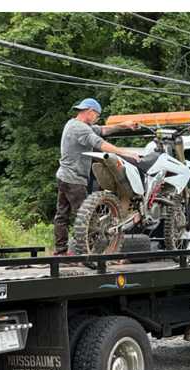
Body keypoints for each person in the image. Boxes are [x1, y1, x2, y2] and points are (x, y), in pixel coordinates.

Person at [54, 98, 141, 255]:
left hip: (63, 176)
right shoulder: (81, 129)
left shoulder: (73, 124)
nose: (96, 119)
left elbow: (102, 130)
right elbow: (101, 143)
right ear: (89, 112)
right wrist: (127, 153)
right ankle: (87, 253)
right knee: (88, 219)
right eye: (97, 116)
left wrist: (123, 126)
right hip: (74, 179)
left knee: (62, 216)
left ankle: (60, 252)